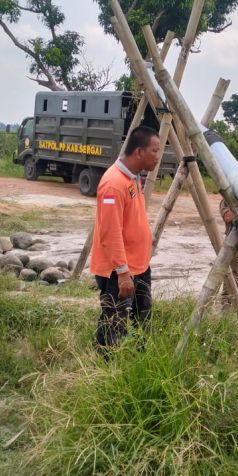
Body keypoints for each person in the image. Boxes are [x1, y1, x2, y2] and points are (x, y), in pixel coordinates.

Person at [89, 125, 161, 355]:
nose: (158, 157)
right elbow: (110, 233)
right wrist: (122, 272)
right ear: (139, 152)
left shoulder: (132, 177)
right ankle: (104, 369)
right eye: (155, 151)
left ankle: (138, 365)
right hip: (119, 272)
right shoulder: (113, 184)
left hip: (138, 266)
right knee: (114, 323)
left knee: (142, 318)